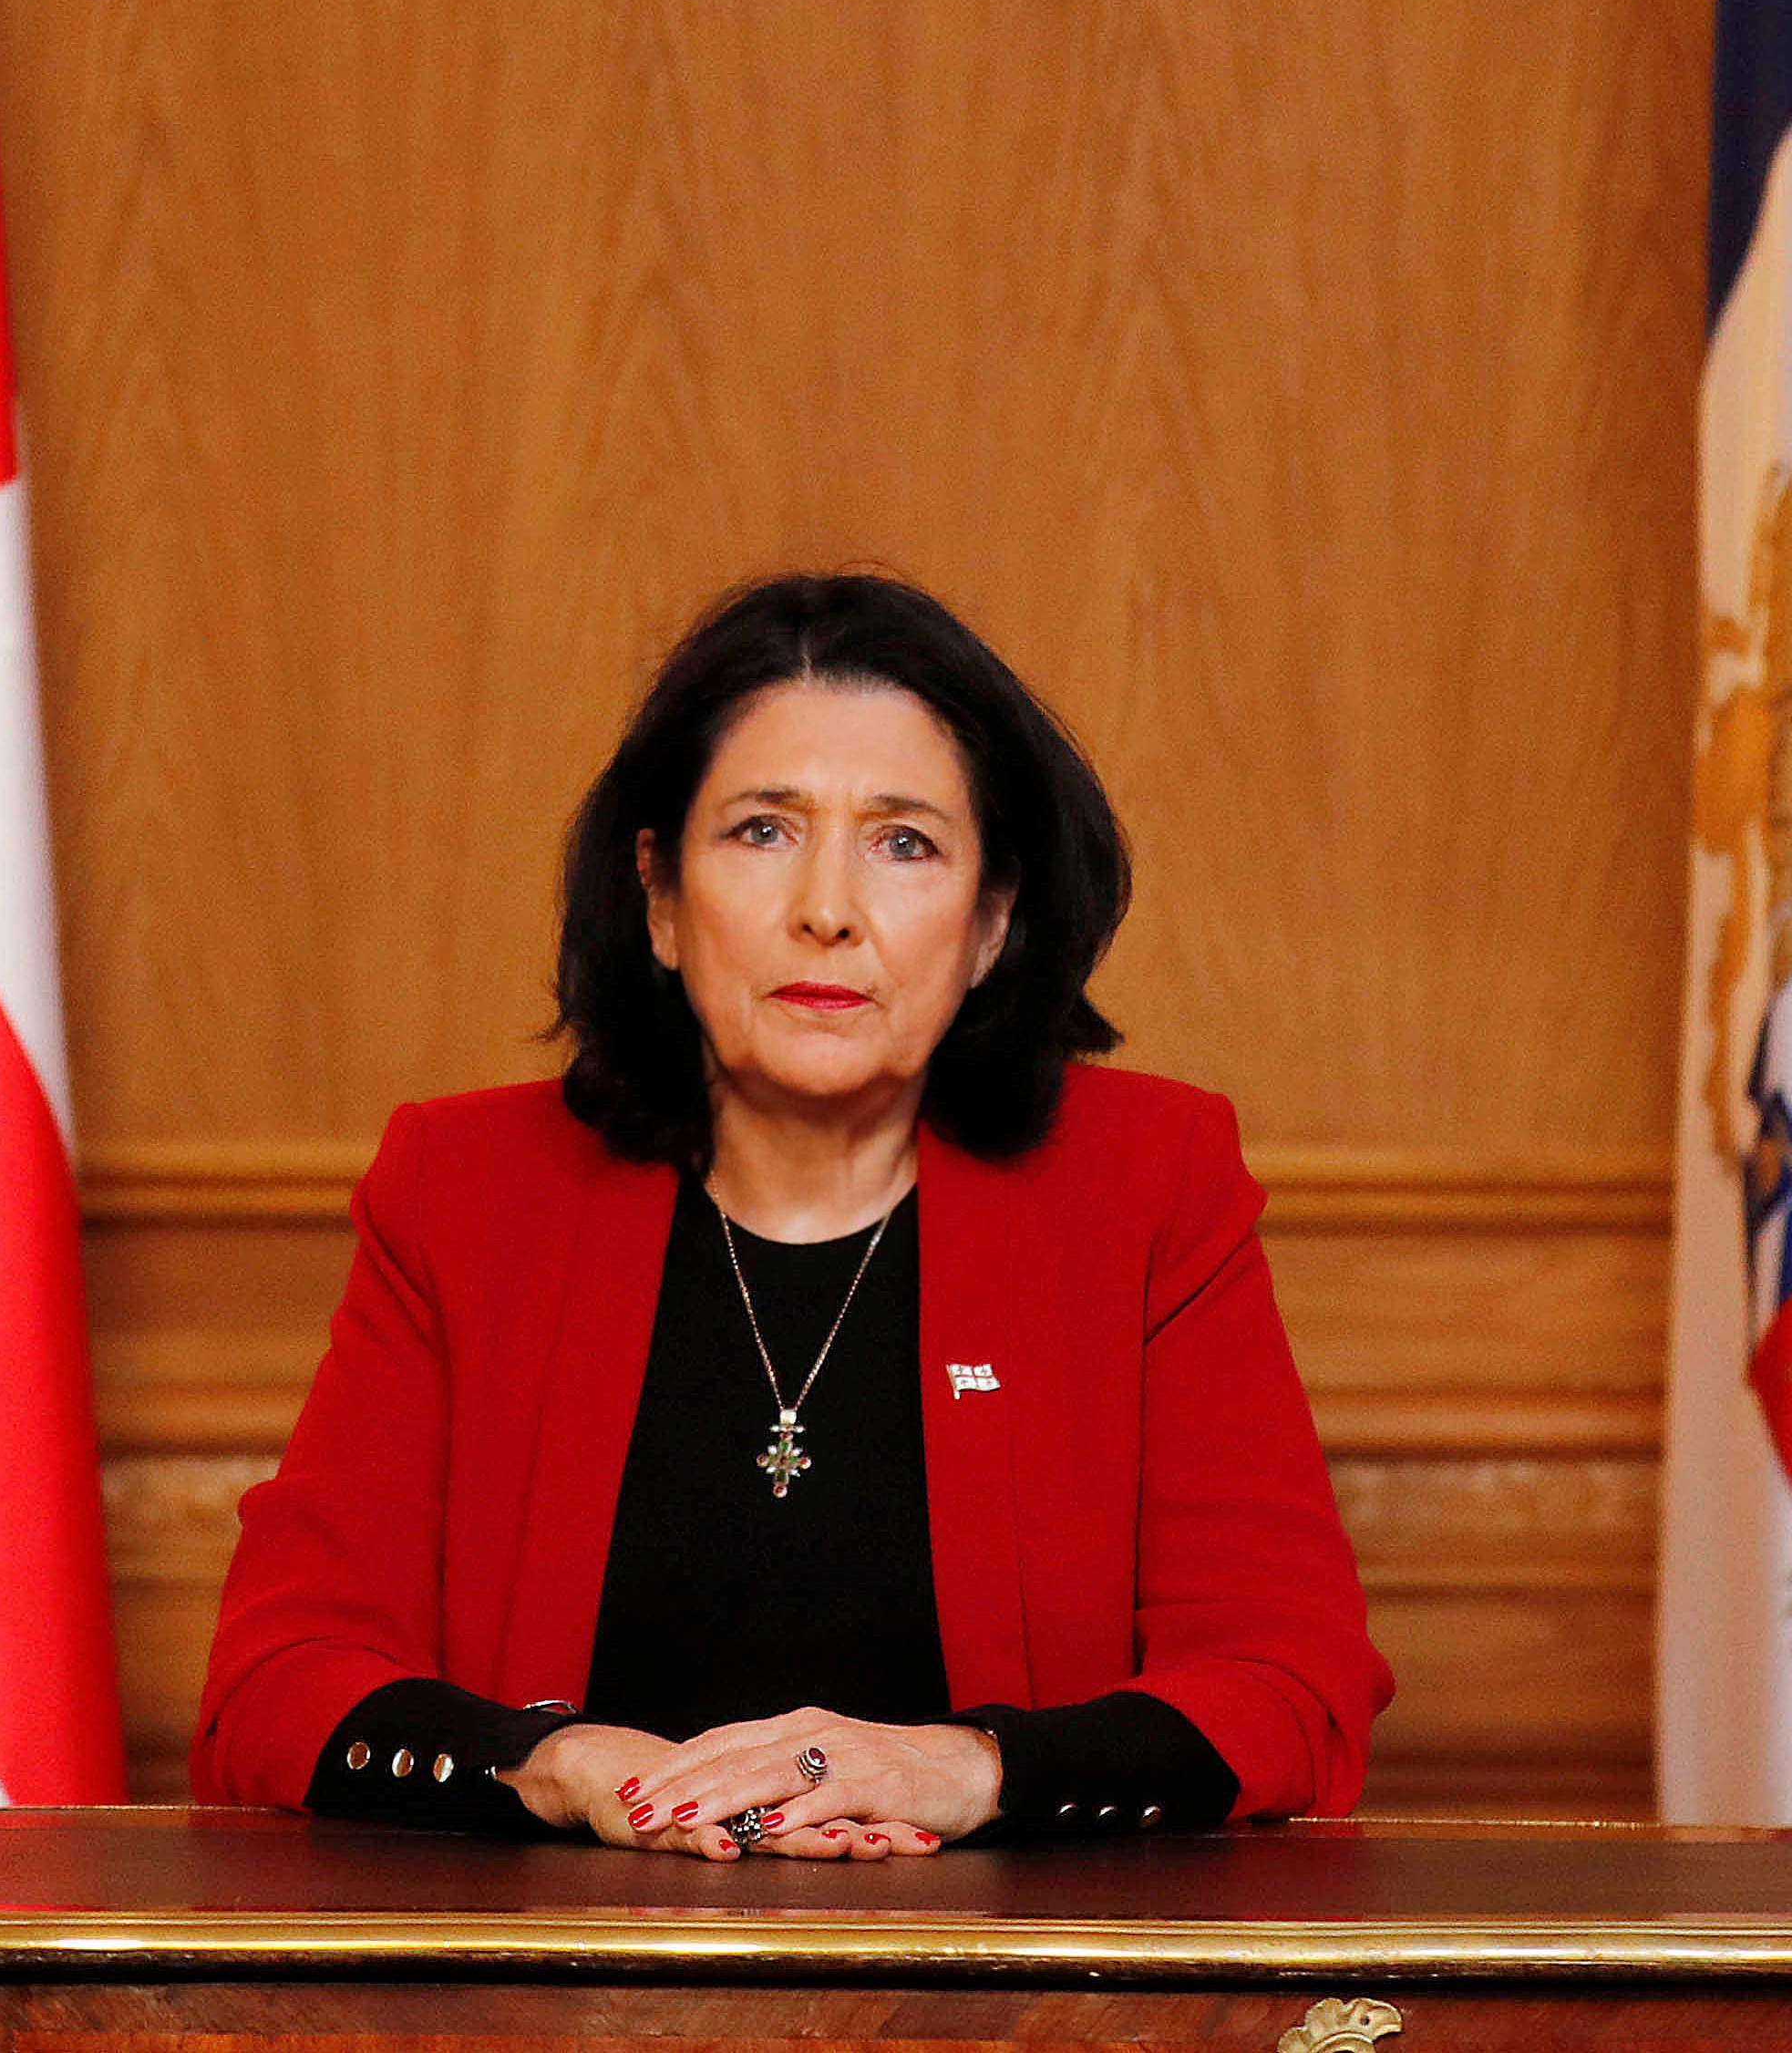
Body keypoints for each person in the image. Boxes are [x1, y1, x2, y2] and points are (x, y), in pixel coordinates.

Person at [192, 573, 1388, 1857]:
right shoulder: (469, 1191)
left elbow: (1291, 1681)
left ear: (991, 922)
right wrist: (559, 1764)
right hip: (575, 1966)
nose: (827, 910)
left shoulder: (1145, 1186)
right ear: (659, 895)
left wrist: (966, 1766)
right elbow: (273, 1683)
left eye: (903, 842)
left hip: (1004, 1973)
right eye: (763, 830)